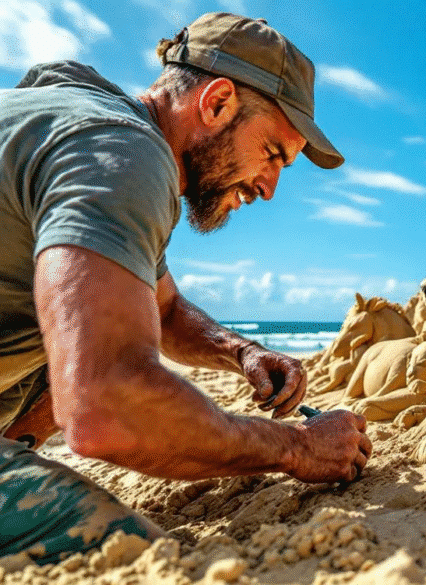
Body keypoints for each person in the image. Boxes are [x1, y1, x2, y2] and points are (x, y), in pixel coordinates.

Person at [0, 13, 372, 564]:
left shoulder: (84, 124)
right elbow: (105, 407)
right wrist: (298, 448)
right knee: (127, 555)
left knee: (90, 323)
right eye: (273, 153)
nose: (269, 188)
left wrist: (241, 351)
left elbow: (163, 307)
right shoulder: (124, 156)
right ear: (217, 102)